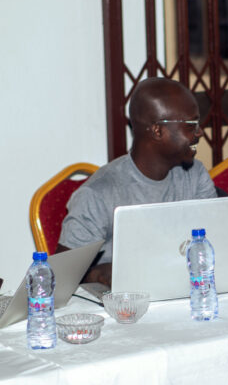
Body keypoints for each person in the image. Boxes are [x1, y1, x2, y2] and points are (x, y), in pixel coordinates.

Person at [57, 77, 217, 285]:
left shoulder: (195, 175)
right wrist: (96, 274)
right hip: (125, 307)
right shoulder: (98, 193)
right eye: (191, 125)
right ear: (158, 130)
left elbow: (215, 242)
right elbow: (59, 278)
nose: (199, 133)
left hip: (184, 291)